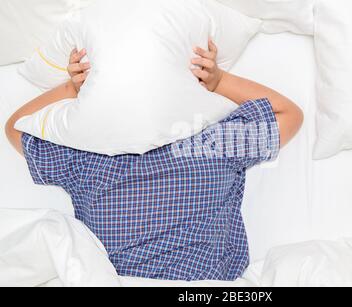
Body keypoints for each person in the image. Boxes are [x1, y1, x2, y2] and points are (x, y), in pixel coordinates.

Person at [5, 40, 303, 281]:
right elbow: (17, 128)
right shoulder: (88, 157)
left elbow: (288, 115)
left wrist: (219, 82)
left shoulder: (211, 144)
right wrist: (73, 89)